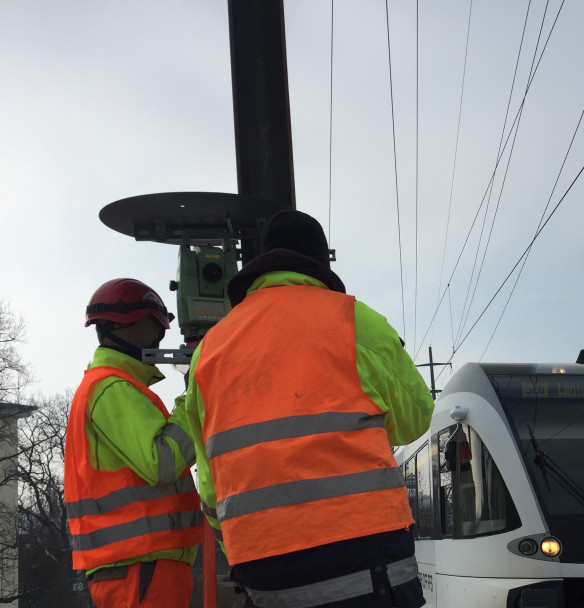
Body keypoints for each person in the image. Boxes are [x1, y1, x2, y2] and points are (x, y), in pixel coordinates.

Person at [182, 208, 434, 608]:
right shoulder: (355, 322)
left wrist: (239, 539)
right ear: (320, 262)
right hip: (364, 553)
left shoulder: (208, 352)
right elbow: (416, 417)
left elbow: (211, 482)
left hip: (261, 563)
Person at [64, 278, 203, 608]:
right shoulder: (111, 388)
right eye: (155, 324)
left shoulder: (117, 386)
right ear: (123, 325)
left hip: (139, 567)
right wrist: (195, 400)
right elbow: (163, 461)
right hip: (140, 566)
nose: (161, 334)